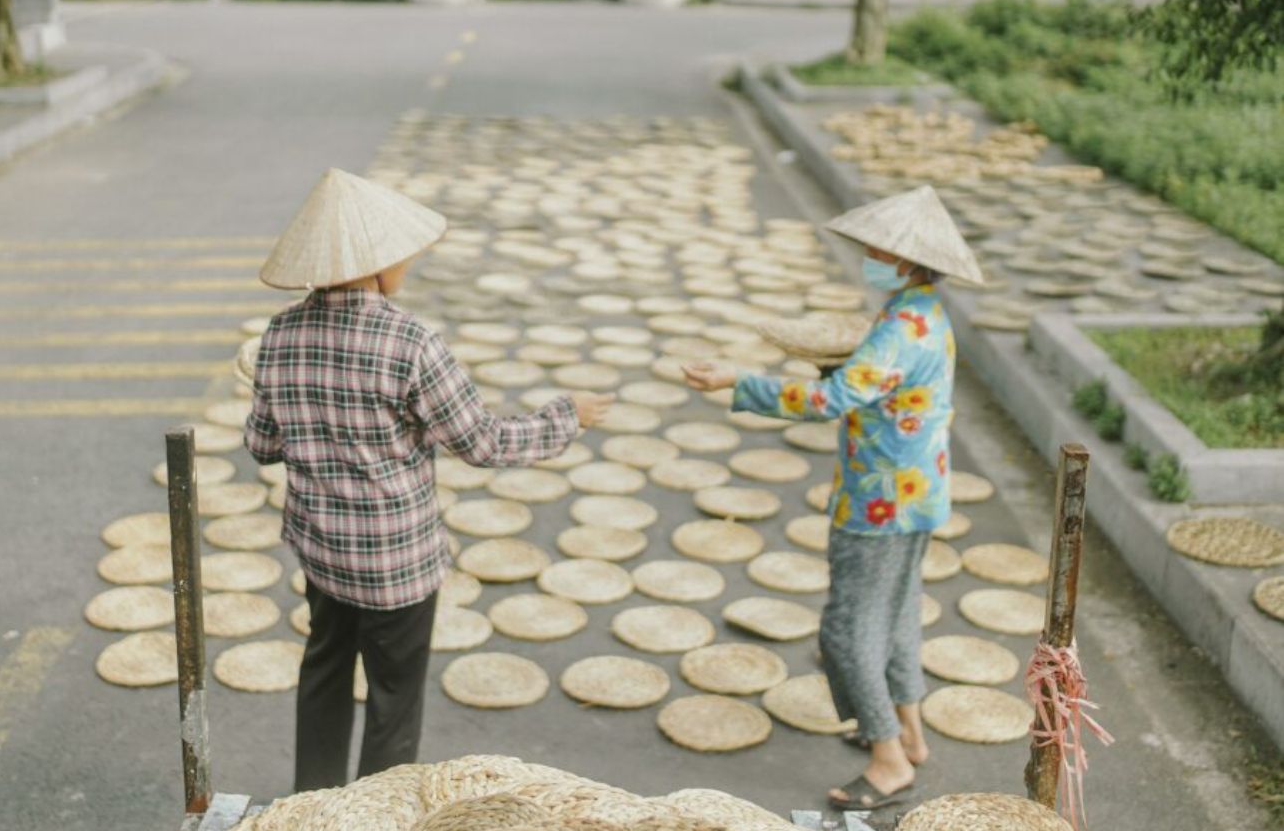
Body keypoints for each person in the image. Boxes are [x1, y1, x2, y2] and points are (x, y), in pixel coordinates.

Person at [244, 168, 611, 792]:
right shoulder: (411, 342)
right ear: (378, 263)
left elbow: (261, 444)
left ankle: (314, 809)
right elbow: (483, 443)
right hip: (398, 564)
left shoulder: (280, 336)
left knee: (325, 674)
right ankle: (381, 812)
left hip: (324, 556)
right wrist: (565, 417)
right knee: (393, 698)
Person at [683, 185, 984, 813]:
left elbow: (833, 400)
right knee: (896, 617)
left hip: (879, 503)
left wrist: (740, 382)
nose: (868, 255)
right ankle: (910, 733)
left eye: (877, 248)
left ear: (905, 259)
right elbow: (873, 389)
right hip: (917, 492)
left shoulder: (899, 329)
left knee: (846, 632)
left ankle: (888, 760)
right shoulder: (924, 310)